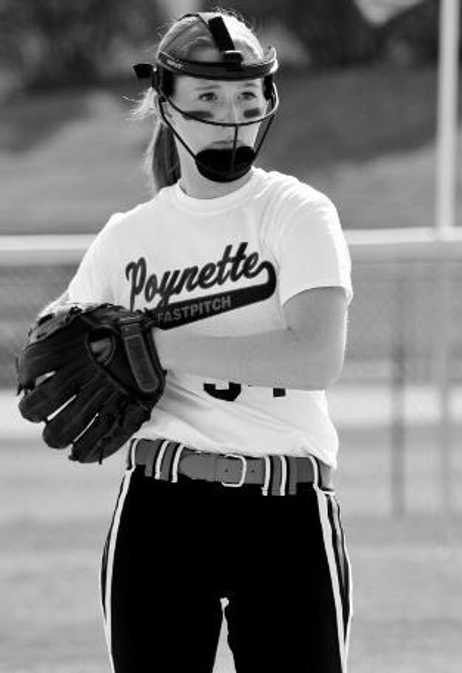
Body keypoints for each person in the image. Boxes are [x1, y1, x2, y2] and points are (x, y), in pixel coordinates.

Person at [49, 10, 353, 673]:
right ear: (167, 105)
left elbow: (315, 356)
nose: (231, 117)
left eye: (246, 97)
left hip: (285, 507)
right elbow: (56, 350)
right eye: (208, 97)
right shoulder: (128, 237)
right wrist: (74, 350)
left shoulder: (297, 212)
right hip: (160, 511)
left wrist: (156, 344)